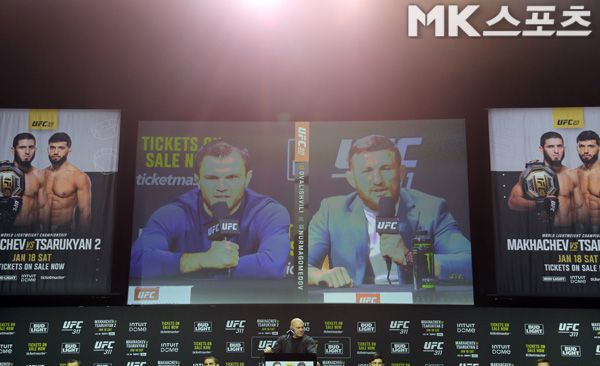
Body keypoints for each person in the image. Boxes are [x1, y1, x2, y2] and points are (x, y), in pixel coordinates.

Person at [308, 134, 471, 287]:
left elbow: (469, 263)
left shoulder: (431, 208)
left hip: (414, 303)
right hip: (354, 304)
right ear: (351, 179)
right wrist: (320, 276)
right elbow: (300, 266)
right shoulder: (331, 211)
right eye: (367, 171)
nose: (377, 180)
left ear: (401, 173)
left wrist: (410, 258)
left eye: (386, 169)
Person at [130, 140, 291, 279]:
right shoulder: (174, 213)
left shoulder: (268, 212)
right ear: (197, 180)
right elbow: (136, 261)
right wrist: (203, 260)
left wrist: (206, 267)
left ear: (247, 179)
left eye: (231, 177)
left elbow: (272, 265)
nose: (221, 187)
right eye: (212, 178)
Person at [508, 131, 583, 228]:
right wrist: (539, 204)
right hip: (542, 231)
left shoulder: (573, 175)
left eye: (559, 146)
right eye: (550, 147)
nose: (556, 151)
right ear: (541, 149)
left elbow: (582, 208)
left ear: (564, 148)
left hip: (568, 232)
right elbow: (513, 202)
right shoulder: (531, 174)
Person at [44, 132, 92, 233]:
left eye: (61, 148)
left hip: (64, 231)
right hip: (40, 231)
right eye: (52, 147)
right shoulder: (41, 174)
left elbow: (85, 213)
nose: (55, 152)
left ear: (69, 150)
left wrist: (81, 239)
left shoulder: (79, 177)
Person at [11, 132, 49, 231]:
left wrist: (47, 235)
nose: (27, 152)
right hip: (6, 230)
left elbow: (43, 207)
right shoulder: (2, 174)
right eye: (22, 147)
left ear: (35, 149)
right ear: (13, 150)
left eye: (31, 147)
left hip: (32, 230)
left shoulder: (39, 175)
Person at [575, 130, 600, 232]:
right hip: (581, 231)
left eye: (591, 146)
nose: (586, 151)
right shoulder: (574, 174)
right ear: (577, 148)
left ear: (599, 148)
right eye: (581, 146)